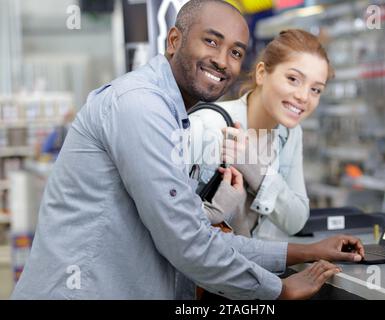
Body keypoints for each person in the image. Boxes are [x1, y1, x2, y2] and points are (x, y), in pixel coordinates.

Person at [11, 0, 364, 300]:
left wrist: (304, 251)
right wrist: (278, 290)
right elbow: (187, 241)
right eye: (211, 42)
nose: (223, 61)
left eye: (235, 52)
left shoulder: (173, 116)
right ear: (174, 40)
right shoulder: (140, 106)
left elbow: (199, 234)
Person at [189, 29, 333, 239]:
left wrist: (255, 169)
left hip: (255, 266)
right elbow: (168, 219)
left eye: (316, 90)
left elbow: (296, 220)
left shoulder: (290, 134)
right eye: (293, 79)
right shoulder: (209, 125)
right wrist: (211, 213)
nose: (304, 96)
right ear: (261, 74)